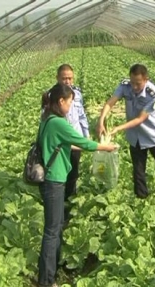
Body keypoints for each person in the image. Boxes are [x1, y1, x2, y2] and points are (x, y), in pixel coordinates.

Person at [38, 83, 117, 287]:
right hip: (53, 180)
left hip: (51, 179)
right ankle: (46, 281)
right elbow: (83, 143)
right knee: (52, 231)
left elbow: (66, 143)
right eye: (70, 102)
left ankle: (51, 275)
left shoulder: (47, 118)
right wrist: (106, 147)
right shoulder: (59, 122)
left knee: (55, 227)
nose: (71, 106)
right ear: (61, 101)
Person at [96, 63, 155, 199]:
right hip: (135, 136)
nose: (134, 87)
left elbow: (140, 119)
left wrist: (118, 128)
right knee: (138, 170)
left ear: (146, 79)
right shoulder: (125, 86)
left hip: (152, 135)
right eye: (132, 83)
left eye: (138, 84)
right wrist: (101, 121)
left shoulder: (153, 94)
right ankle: (141, 198)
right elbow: (111, 102)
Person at [42, 64, 89, 201]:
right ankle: (58, 198)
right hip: (59, 143)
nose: (67, 81)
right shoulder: (51, 95)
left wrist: (85, 135)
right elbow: (45, 119)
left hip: (75, 139)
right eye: (64, 78)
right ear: (57, 78)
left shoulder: (77, 94)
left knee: (73, 171)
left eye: (70, 78)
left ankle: (70, 197)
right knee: (58, 173)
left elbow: (81, 115)